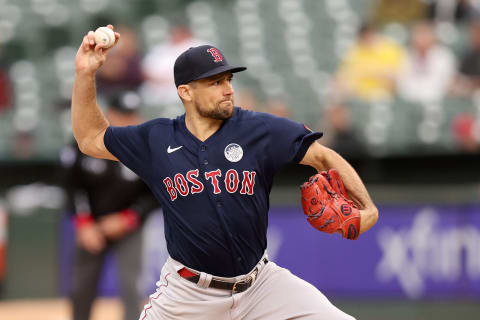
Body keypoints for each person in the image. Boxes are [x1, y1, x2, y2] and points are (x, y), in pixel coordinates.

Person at [71, 25, 379, 320]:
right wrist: (86, 73)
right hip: (188, 294)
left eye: (228, 79)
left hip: (261, 286)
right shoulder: (157, 139)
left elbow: (323, 156)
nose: (228, 89)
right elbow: (90, 138)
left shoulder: (257, 130)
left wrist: (368, 208)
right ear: (186, 92)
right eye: (215, 82)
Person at [61, 91, 160, 320]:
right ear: (109, 114)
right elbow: (72, 186)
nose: (128, 120)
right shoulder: (86, 142)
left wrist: (129, 218)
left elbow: (155, 194)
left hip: (129, 227)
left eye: (132, 115)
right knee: (81, 287)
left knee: (131, 285)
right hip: (92, 226)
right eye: (122, 115)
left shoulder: (145, 148)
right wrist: (84, 224)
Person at [396, 21, 456, 104]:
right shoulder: (405, 54)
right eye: (419, 34)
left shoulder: (444, 55)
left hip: (437, 100)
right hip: (409, 100)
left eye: (425, 34)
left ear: (433, 37)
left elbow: (445, 82)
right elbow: (401, 80)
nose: (422, 38)